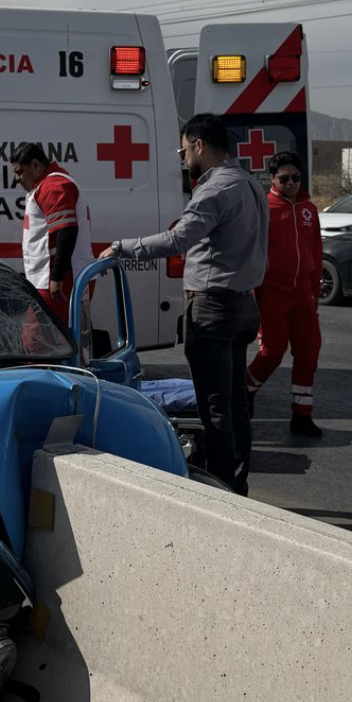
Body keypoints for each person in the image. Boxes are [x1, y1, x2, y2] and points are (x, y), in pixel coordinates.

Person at [100, 113, 268, 495]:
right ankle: (238, 482)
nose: (182, 158)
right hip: (243, 305)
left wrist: (125, 248)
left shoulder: (215, 189)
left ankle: (222, 491)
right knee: (235, 401)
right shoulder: (251, 185)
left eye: (182, 149)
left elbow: (179, 239)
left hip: (214, 308)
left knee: (215, 406)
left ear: (199, 145)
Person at [246, 152, 324, 438]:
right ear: (272, 179)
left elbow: (316, 251)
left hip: (303, 296)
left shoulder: (308, 209)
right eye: (284, 178)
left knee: (309, 353)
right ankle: (245, 391)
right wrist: (254, 293)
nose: (291, 183)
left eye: (296, 178)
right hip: (272, 295)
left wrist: (314, 294)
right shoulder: (263, 208)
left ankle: (301, 416)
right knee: (272, 352)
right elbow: (252, 252)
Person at [14, 141, 94, 325]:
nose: (17, 179)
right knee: (60, 342)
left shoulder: (53, 186)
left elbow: (66, 229)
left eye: (19, 172)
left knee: (40, 344)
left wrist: (56, 277)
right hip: (50, 279)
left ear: (36, 165)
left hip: (58, 281)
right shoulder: (50, 184)